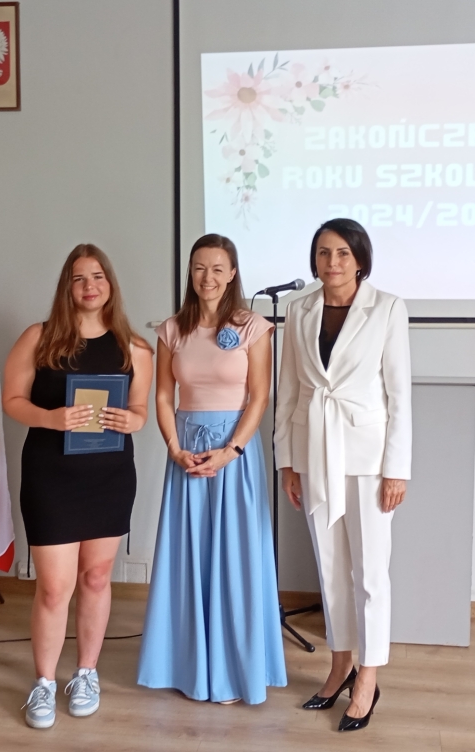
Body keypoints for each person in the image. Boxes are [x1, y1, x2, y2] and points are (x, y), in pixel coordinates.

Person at [2, 243, 153, 729]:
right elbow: (11, 400)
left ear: (110, 284)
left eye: (97, 276)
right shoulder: (39, 337)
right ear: (67, 287)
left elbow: (141, 410)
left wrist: (133, 421)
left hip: (109, 477)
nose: (90, 286)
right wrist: (51, 417)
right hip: (51, 476)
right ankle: (44, 682)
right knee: (54, 587)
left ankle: (86, 674)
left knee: (96, 577)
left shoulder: (135, 346)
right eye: (79, 278)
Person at [137, 234, 286, 705]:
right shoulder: (171, 329)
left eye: (218, 268)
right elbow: (164, 397)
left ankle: (233, 672)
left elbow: (259, 396)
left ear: (233, 273)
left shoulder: (253, 327)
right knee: (189, 556)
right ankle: (186, 668)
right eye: (200, 267)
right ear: (190, 271)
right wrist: (174, 448)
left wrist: (231, 451)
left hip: (233, 455)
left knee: (235, 559)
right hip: (185, 451)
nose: (208, 277)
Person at [275, 218, 411, 732]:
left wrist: (397, 469)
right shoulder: (299, 309)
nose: (331, 262)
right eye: (323, 253)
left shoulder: (388, 308)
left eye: (342, 253)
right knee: (330, 570)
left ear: (360, 260)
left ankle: (368, 678)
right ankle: (339, 667)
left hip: (369, 458)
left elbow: (399, 395)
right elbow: (289, 391)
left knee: (370, 573)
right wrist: (287, 461)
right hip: (313, 452)